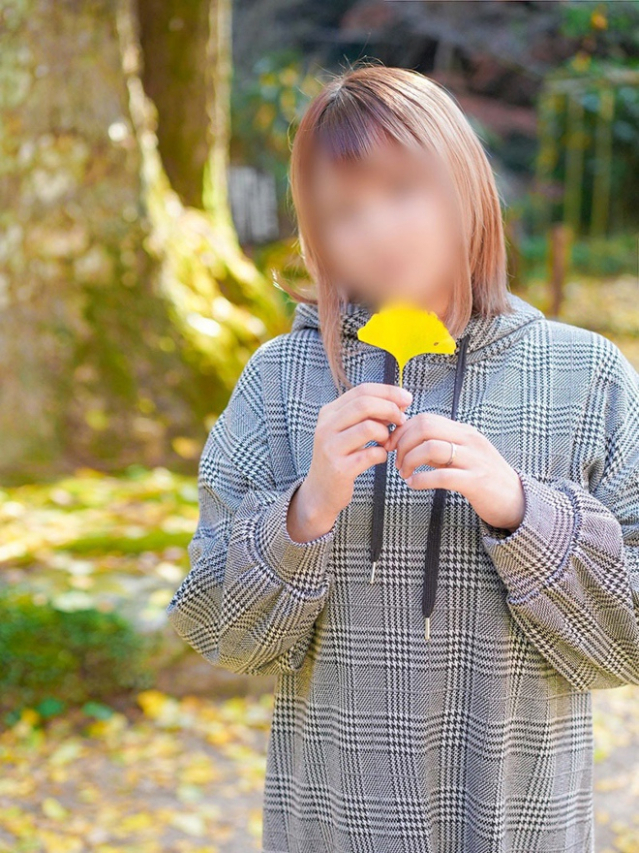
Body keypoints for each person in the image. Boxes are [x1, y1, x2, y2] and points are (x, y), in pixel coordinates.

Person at [165, 64, 639, 853]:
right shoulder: (281, 379)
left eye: (401, 192)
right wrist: (305, 509)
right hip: (330, 824)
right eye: (342, 212)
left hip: (518, 826)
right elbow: (218, 633)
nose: (375, 231)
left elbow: (628, 641)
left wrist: (522, 508)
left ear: (464, 186)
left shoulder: (586, 376)